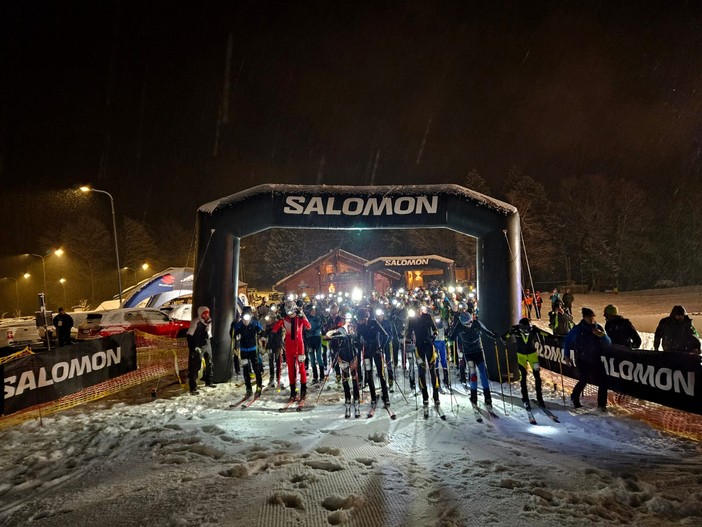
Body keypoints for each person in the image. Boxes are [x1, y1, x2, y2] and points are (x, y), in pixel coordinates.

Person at [563, 307, 611, 411]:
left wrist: (602, 335)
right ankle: (575, 398)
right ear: (584, 318)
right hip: (582, 359)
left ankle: (602, 405)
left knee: (603, 381)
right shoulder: (578, 329)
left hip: (596, 359)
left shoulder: (598, 328)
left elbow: (608, 343)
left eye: (593, 317)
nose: (591, 319)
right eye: (589, 317)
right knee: (583, 380)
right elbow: (567, 342)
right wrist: (567, 356)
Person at [448, 311, 497, 410]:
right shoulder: (459, 327)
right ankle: (474, 396)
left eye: (470, 322)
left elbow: (485, 331)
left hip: (478, 351)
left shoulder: (476, 323)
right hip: (468, 353)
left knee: (483, 373)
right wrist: (449, 337)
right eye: (467, 324)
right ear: (462, 323)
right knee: (473, 374)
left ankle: (488, 398)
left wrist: (493, 335)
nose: (469, 325)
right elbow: (452, 337)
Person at [503, 318, 548, 409]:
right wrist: (503, 340)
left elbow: (546, 334)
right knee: (523, 378)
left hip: (533, 356)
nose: (528, 330)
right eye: (526, 329)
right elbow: (504, 336)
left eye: (529, 328)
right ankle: (525, 399)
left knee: (537, 377)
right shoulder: (515, 330)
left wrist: (557, 339)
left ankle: (540, 398)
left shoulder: (534, 329)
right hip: (521, 357)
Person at [273, 300, 312, 401]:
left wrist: (303, 315)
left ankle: (303, 390)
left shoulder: (299, 318)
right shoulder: (285, 319)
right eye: (288, 313)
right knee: (291, 370)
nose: (290, 315)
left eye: (292, 312)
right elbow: (275, 329)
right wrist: (278, 318)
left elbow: (308, 326)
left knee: (302, 368)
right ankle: (292, 391)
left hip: (299, 346)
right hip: (289, 347)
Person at [355, 307, 391, 410]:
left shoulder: (374, 323)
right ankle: (373, 396)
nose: (360, 321)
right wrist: (357, 343)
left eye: (361, 319)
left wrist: (381, 348)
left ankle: (386, 396)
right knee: (368, 374)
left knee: (381, 374)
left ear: (366, 317)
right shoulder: (359, 325)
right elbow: (357, 339)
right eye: (359, 320)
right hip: (366, 353)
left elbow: (386, 336)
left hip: (376, 351)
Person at [326, 320, 361, 418]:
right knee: (345, 378)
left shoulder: (354, 326)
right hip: (343, 357)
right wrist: (331, 335)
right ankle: (347, 397)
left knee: (355, 378)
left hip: (353, 356)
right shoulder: (340, 329)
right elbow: (329, 333)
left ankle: (356, 397)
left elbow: (357, 336)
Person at [231, 308, 265, 397]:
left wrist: (261, 334)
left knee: (256, 368)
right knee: (245, 369)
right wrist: (234, 332)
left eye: (247, 319)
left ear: (250, 317)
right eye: (243, 319)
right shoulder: (239, 325)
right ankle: (248, 388)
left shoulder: (255, 323)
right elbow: (232, 334)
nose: (245, 321)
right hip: (244, 350)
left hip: (253, 349)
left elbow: (261, 331)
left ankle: (259, 386)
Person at [186, 306, 214, 395]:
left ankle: (209, 381)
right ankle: (193, 387)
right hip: (198, 346)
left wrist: (209, 334)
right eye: (204, 314)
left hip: (207, 344)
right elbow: (189, 336)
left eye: (207, 313)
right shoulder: (195, 322)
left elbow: (209, 334)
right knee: (195, 366)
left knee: (209, 363)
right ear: (200, 314)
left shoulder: (209, 322)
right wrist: (193, 347)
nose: (206, 315)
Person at [306, 305, 325, 384]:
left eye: (314, 311)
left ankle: (322, 375)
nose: (313, 313)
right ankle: (315, 376)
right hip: (310, 340)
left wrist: (314, 332)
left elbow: (319, 328)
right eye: (312, 311)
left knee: (319, 357)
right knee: (312, 359)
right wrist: (309, 333)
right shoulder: (307, 319)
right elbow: (305, 329)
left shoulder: (318, 319)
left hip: (317, 339)